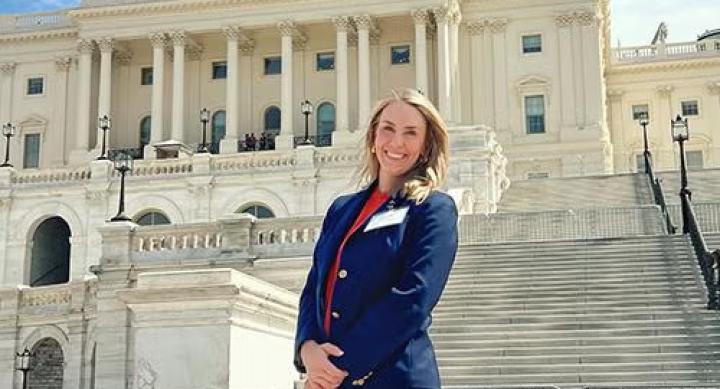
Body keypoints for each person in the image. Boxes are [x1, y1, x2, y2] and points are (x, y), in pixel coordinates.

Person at [293, 88, 458, 388]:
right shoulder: (342, 208)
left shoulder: (433, 210)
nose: (397, 142)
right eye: (388, 129)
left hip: (395, 377)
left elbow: (413, 298)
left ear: (425, 146)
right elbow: (314, 285)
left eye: (411, 133)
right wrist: (307, 349)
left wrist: (336, 369)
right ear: (372, 138)